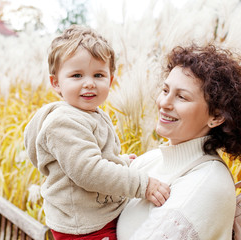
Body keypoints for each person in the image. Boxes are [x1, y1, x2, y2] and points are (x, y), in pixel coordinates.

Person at [24, 25, 170, 240]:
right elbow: (88, 170)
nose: (89, 83)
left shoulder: (90, 113)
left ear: (110, 80)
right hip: (84, 226)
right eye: (76, 75)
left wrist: (118, 161)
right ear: (56, 83)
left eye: (98, 75)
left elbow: (87, 158)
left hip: (98, 215)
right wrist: (142, 184)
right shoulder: (63, 122)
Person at [116, 44, 241, 240]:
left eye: (181, 97)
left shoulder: (207, 183)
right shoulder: (151, 159)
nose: (164, 103)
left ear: (216, 117)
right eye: (165, 90)